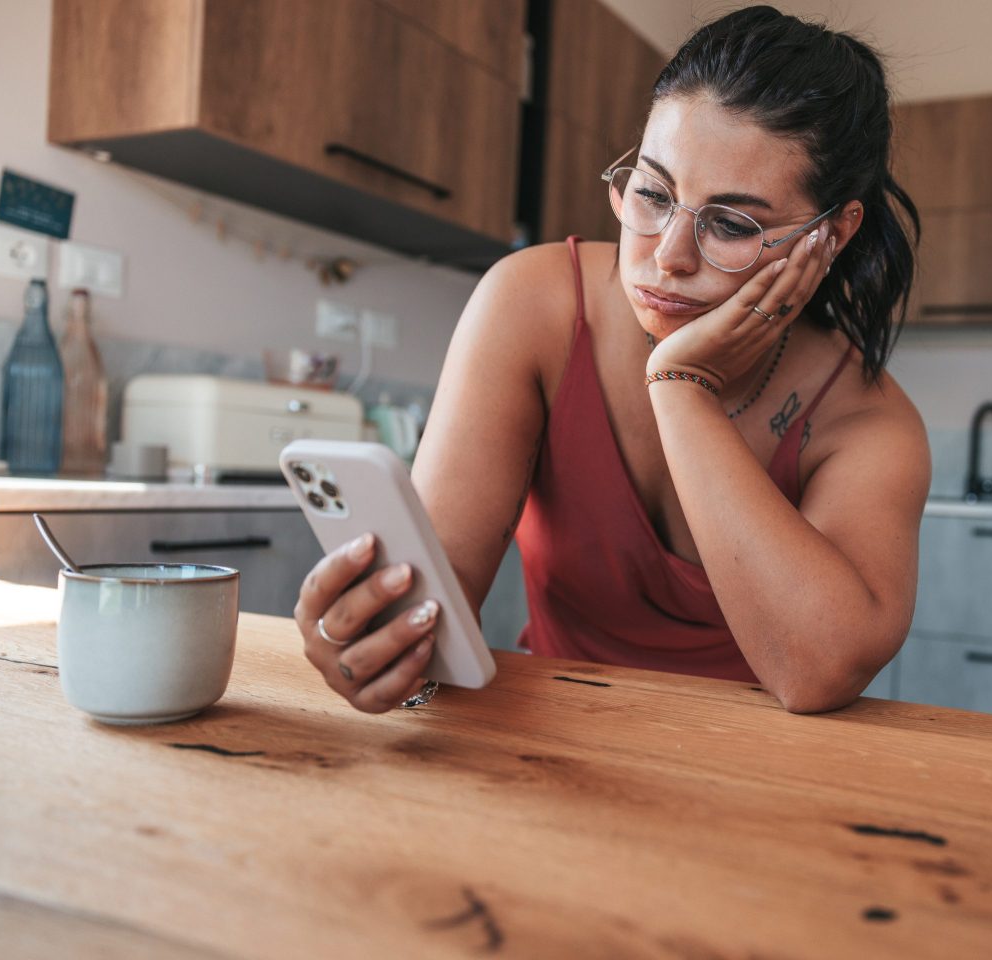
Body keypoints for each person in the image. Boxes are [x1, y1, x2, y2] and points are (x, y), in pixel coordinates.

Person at [292, 6, 931, 715]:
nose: (668, 256)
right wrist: (378, 645)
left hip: (755, 771)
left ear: (833, 233)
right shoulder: (534, 305)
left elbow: (819, 671)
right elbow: (430, 615)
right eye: (653, 194)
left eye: (732, 224)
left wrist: (680, 385)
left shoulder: (865, 423)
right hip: (555, 748)